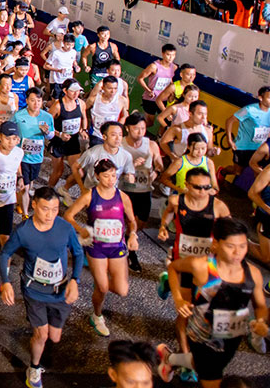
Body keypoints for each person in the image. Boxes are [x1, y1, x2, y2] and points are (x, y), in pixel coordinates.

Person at [157, 218, 269, 388]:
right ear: (216, 244)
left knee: (206, 364)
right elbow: (174, 267)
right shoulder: (201, 266)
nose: (237, 252)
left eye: (242, 246)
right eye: (231, 246)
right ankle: (171, 359)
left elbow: (260, 306)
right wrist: (178, 299)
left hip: (232, 334)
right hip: (202, 334)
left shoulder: (253, 274)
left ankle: (170, 359)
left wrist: (260, 321)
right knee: (212, 376)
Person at [0, 186, 84, 388]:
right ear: (34, 205)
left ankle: (41, 331)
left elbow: (78, 253)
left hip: (60, 290)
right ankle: (34, 367)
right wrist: (5, 282)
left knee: (54, 337)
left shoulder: (64, 227)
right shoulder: (23, 231)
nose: (50, 214)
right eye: (45, 209)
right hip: (34, 290)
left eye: (55, 209)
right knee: (42, 335)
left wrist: (75, 280)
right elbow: (4, 254)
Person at [156, 169, 232, 370]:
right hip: (182, 262)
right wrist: (164, 227)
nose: (202, 191)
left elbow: (230, 232)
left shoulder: (219, 207)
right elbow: (168, 215)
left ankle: (166, 282)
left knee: (205, 308)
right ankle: (184, 355)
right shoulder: (175, 201)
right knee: (186, 312)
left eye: (207, 187)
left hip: (207, 266)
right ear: (187, 186)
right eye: (197, 187)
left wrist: (221, 243)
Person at [63, 159, 139, 337]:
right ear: (97, 176)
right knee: (103, 288)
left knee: (122, 290)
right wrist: (82, 230)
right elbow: (68, 215)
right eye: (106, 176)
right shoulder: (90, 195)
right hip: (96, 248)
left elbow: (132, 221)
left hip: (117, 247)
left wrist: (133, 234)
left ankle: (98, 304)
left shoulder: (122, 197)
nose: (111, 179)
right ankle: (97, 315)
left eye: (113, 175)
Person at [120, 114, 163, 272]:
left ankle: (127, 239)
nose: (140, 132)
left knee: (141, 223)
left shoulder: (151, 144)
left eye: (143, 128)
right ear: (128, 128)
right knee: (126, 221)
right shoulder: (120, 144)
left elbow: (159, 162)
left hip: (144, 190)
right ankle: (130, 253)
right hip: (124, 190)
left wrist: (156, 172)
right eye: (136, 128)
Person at [224, 86, 270, 183]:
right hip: (243, 147)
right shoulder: (249, 110)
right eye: (269, 98)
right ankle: (222, 172)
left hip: (259, 148)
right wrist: (229, 140)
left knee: (258, 172)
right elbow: (230, 121)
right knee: (237, 171)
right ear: (261, 98)